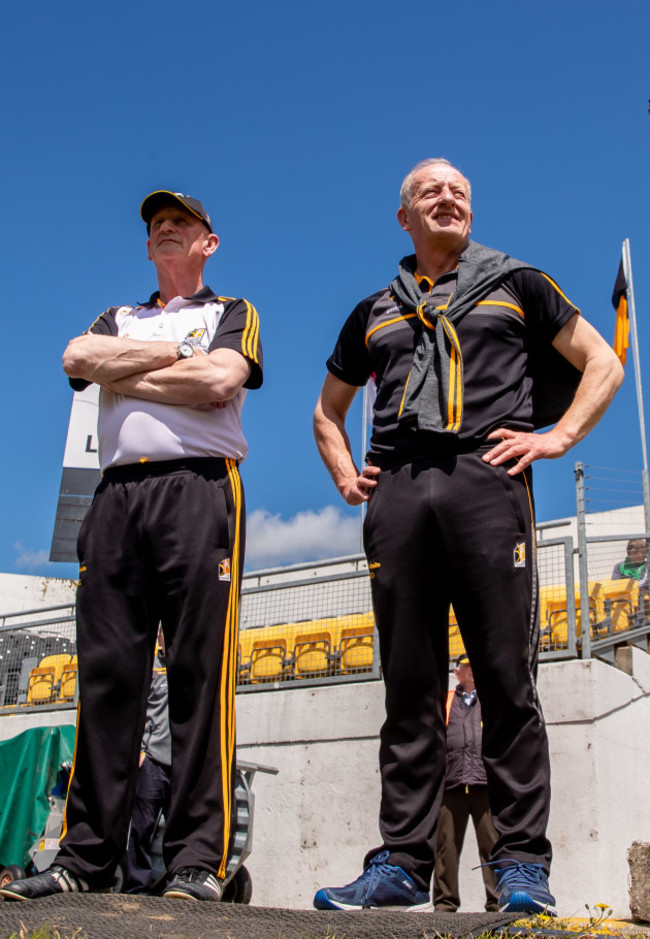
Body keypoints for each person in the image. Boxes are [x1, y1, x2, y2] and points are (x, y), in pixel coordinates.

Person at [312, 158, 623, 915]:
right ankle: (400, 862)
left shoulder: (518, 283)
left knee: (507, 680)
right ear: (404, 218)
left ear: (472, 215)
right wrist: (347, 475)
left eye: (459, 192)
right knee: (409, 686)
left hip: (487, 476)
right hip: (398, 492)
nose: (447, 199)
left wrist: (557, 437)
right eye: (429, 191)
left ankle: (520, 865)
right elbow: (327, 411)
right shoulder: (374, 311)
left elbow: (603, 362)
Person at [0, 190, 262, 903]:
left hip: (199, 488)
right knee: (107, 679)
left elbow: (221, 379)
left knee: (197, 677)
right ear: (148, 247)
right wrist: (172, 353)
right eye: (156, 225)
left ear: (210, 240)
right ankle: (83, 858)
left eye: (180, 221)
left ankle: (194, 860)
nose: (166, 228)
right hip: (116, 496)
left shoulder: (233, 312)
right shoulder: (118, 316)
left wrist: (130, 370)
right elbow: (77, 355)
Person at [433, 654, 498, 913]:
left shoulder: (490, 699)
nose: (470, 670)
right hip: (452, 784)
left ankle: (496, 903)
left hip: (484, 783)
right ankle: (444, 905)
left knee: (492, 847)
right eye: (465, 667)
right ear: (457, 673)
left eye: (473, 666)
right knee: (445, 847)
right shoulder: (447, 701)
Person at [122, 642, 171, 894]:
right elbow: (137, 709)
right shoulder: (151, 665)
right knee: (140, 829)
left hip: (183, 763)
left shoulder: (190, 661)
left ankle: (177, 887)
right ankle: (136, 889)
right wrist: (140, 750)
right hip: (152, 760)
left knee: (179, 832)